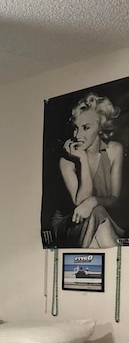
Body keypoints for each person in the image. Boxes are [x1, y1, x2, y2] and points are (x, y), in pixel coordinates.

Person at [52, 92, 124, 248]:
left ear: (100, 126)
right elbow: (80, 203)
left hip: (102, 219)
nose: (78, 135)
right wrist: (83, 160)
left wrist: (93, 201)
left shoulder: (115, 150)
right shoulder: (66, 161)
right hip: (70, 224)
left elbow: (115, 199)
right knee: (97, 214)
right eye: (76, 128)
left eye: (86, 128)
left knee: (97, 215)